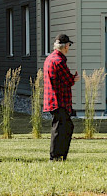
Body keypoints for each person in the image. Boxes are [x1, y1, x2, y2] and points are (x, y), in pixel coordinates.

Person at [43, 33, 78, 161]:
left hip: (52, 100)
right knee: (61, 128)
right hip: (59, 100)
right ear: (64, 46)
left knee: (63, 126)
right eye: (68, 45)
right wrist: (74, 78)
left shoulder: (50, 58)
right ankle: (56, 156)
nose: (69, 48)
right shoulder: (59, 61)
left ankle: (59, 155)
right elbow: (67, 80)